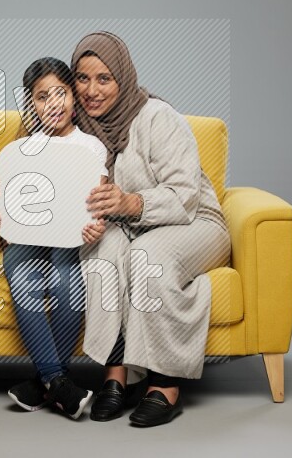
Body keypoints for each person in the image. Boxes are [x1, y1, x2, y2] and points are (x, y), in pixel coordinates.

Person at [71, 31, 232, 427]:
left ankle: (164, 383)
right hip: (128, 228)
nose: (91, 91)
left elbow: (185, 195)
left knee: (148, 256)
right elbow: (34, 142)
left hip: (194, 221)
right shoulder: (76, 127)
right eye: (82, 78)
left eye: (104, 79)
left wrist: (130, 203)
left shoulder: (157, 118)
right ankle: (116, 375)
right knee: (103, 253)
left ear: (123, 78)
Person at [0, 57, 109, 420]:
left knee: (67, 281)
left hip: (69, 237)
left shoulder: (90, 147)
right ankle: (58, 381)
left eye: (60, 93)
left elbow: (96, 203)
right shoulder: (24, 147)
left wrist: (97, 224)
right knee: (20, 271)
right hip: (27, 239)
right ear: (32, 105)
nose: (53, 103)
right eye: (42, 97)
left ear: (73, 97)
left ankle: (45, 382)